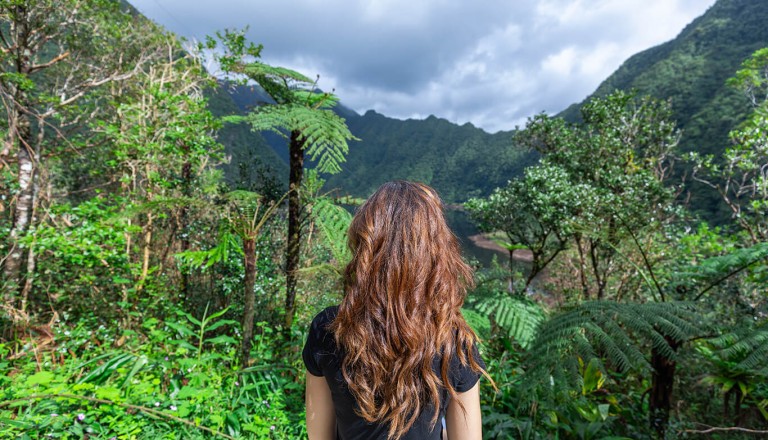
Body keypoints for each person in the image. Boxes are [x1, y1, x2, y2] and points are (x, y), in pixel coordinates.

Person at [303, 181, 490, 440]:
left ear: (364, 246)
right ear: (436, 253)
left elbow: (319, 436)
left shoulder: (329, 329)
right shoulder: (452, 338)